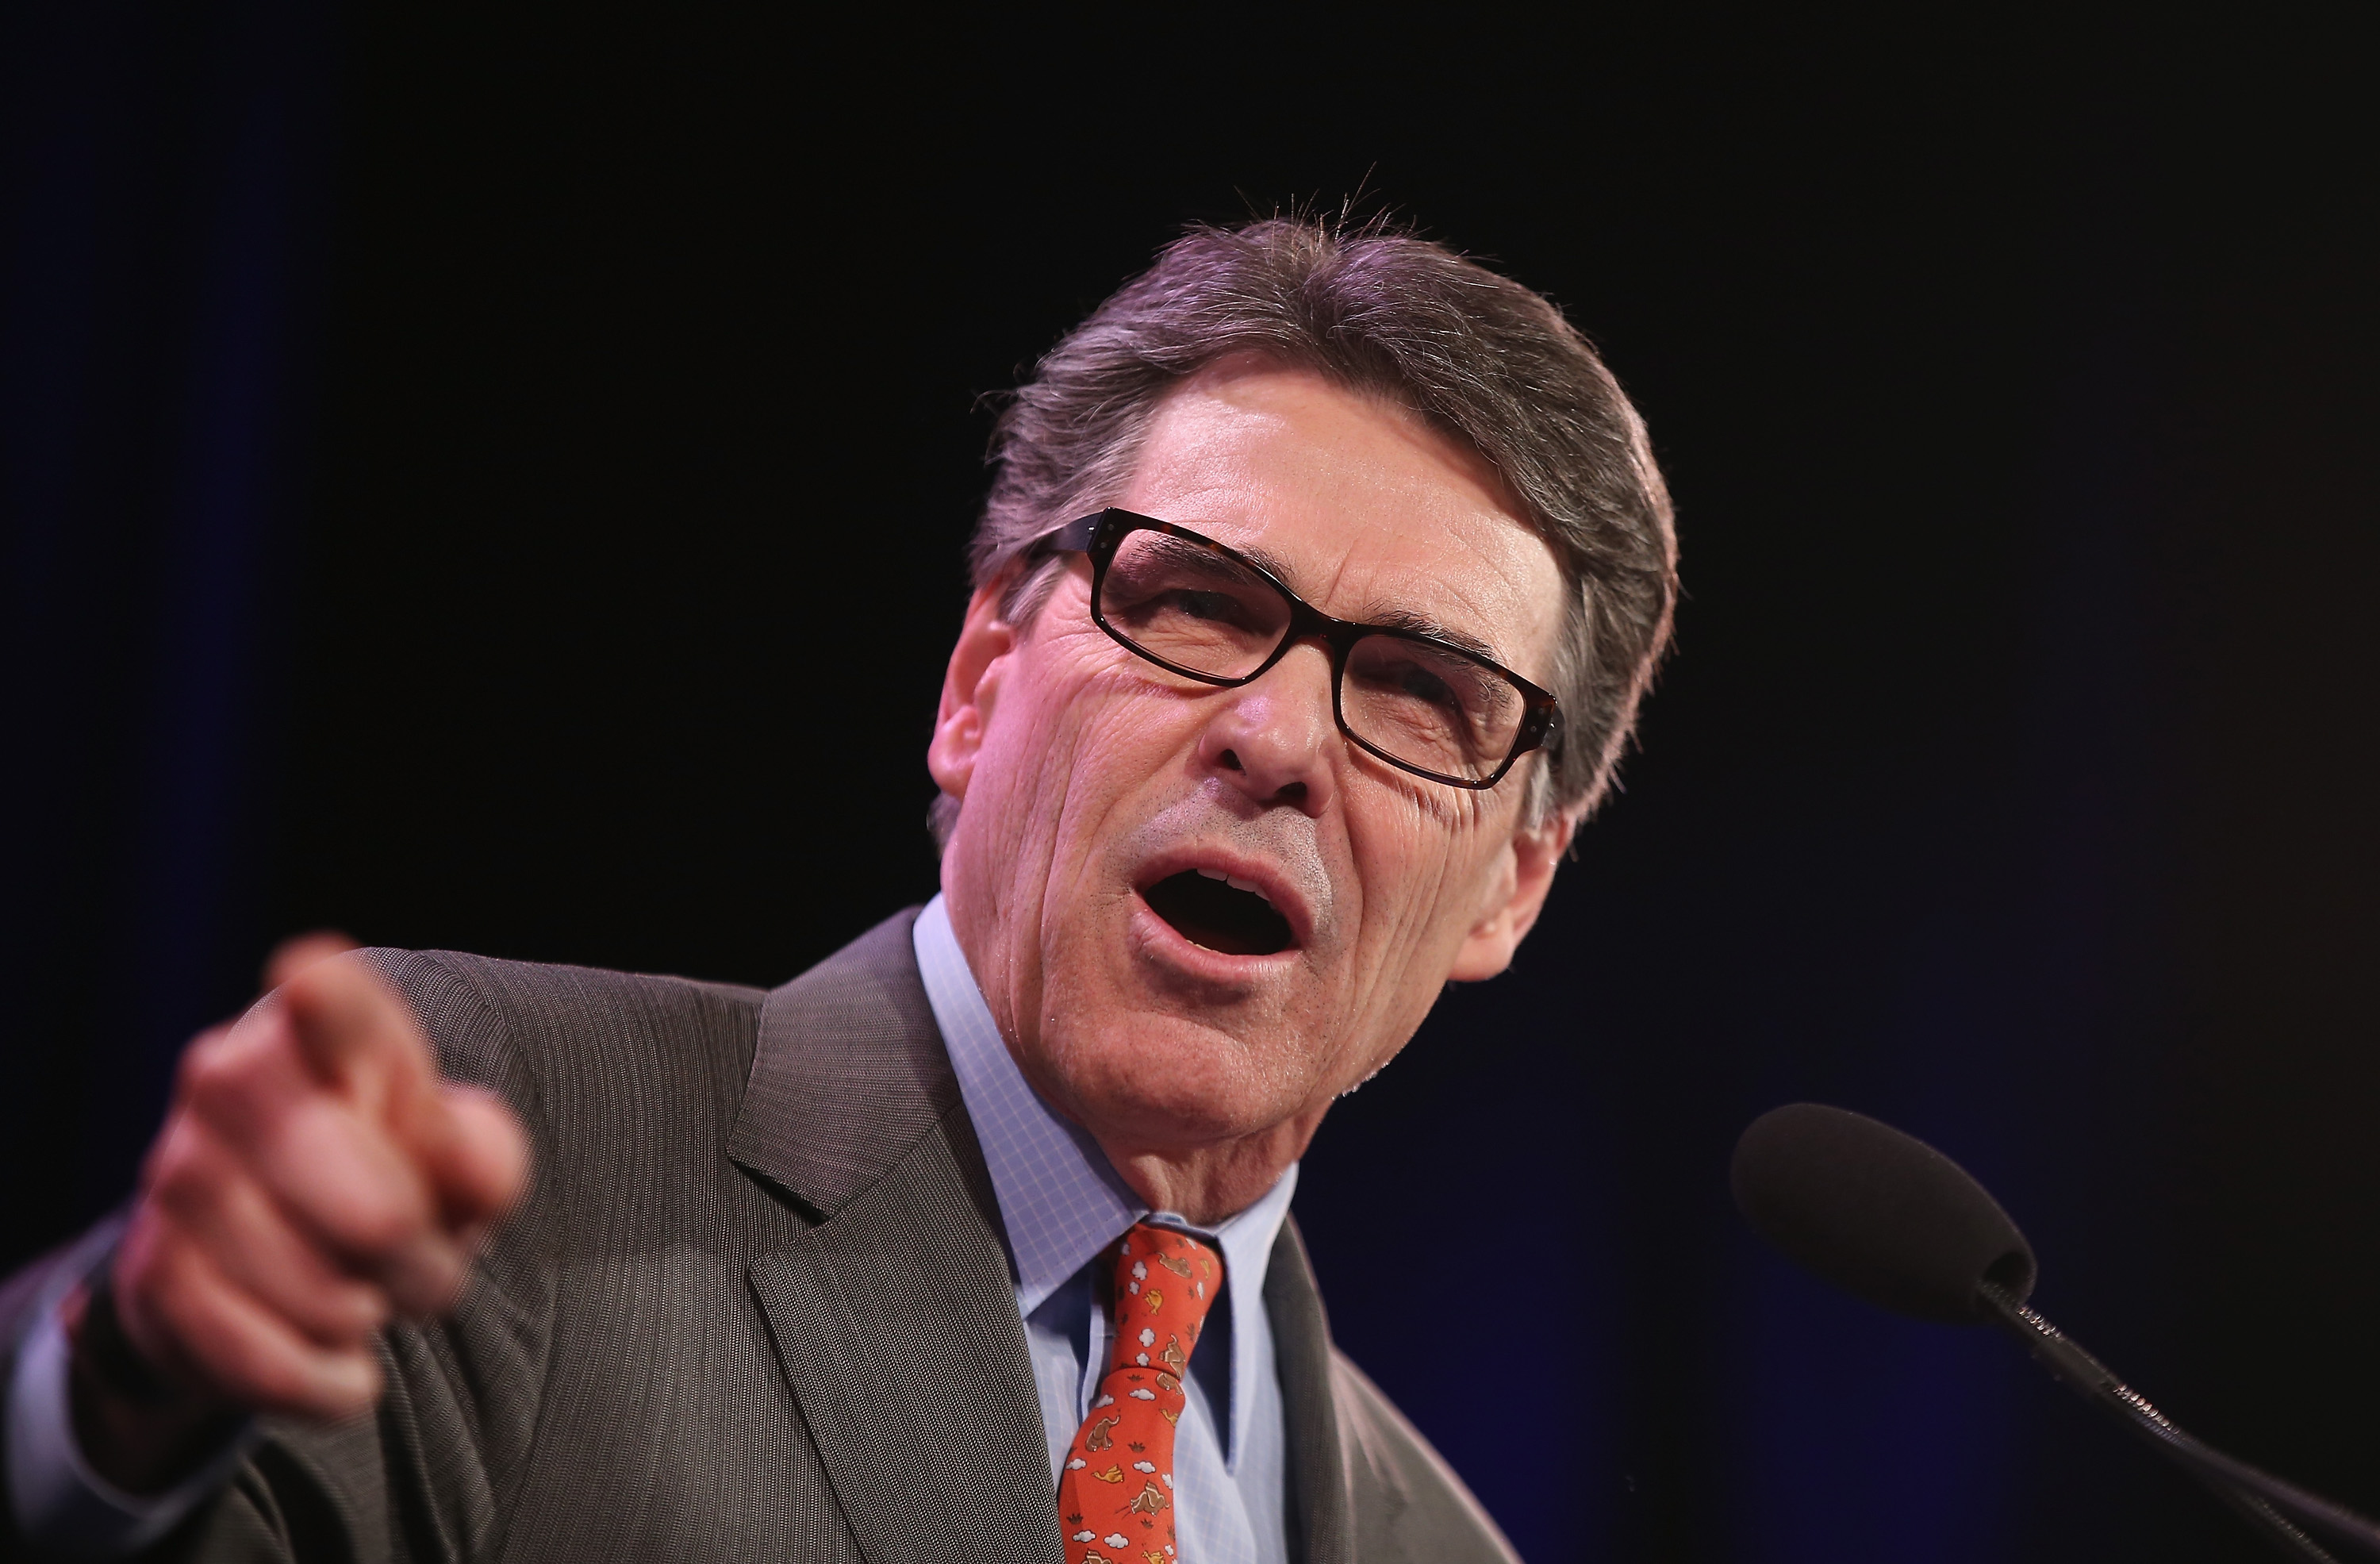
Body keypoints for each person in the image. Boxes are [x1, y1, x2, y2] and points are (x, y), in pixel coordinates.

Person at [1, 216, 1677, 1562]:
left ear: (1510, 886)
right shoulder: (499, 1140)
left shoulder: (1441, 1538)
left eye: (1421, 693)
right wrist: (125, 1387)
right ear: (981, 680)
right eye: (1198, 603)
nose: (1278, 735)